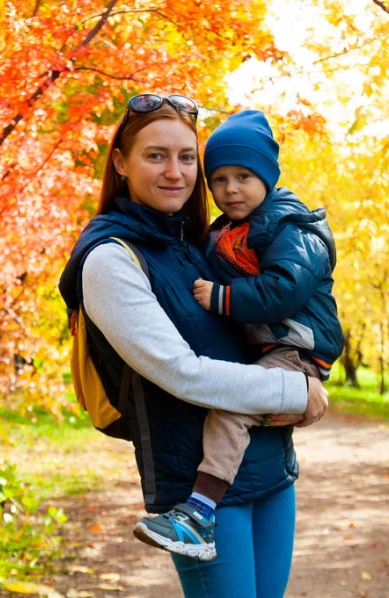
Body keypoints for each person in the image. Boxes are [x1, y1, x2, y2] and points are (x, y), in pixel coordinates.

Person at [57, 94, 329, 597]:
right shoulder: (110, 260)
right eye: (155, 155)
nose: (175, 172)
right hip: (199, 494)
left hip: (269, 467)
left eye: (187, 157)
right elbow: (183, 373)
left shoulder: (204, 242)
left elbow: (281, 308)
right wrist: (296, 392)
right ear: (121, 162)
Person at [133, 109, 344, 562]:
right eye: (220, 179)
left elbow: (286, 289)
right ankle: (203, 508)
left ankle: (200, 512)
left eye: (244, 176)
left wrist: (223, 298)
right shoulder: (227, 230)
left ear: (267, 177)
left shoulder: (291, 226)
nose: (230, 189)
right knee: (239, 403)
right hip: (272, 345)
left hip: (297, 346)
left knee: (232, 408)